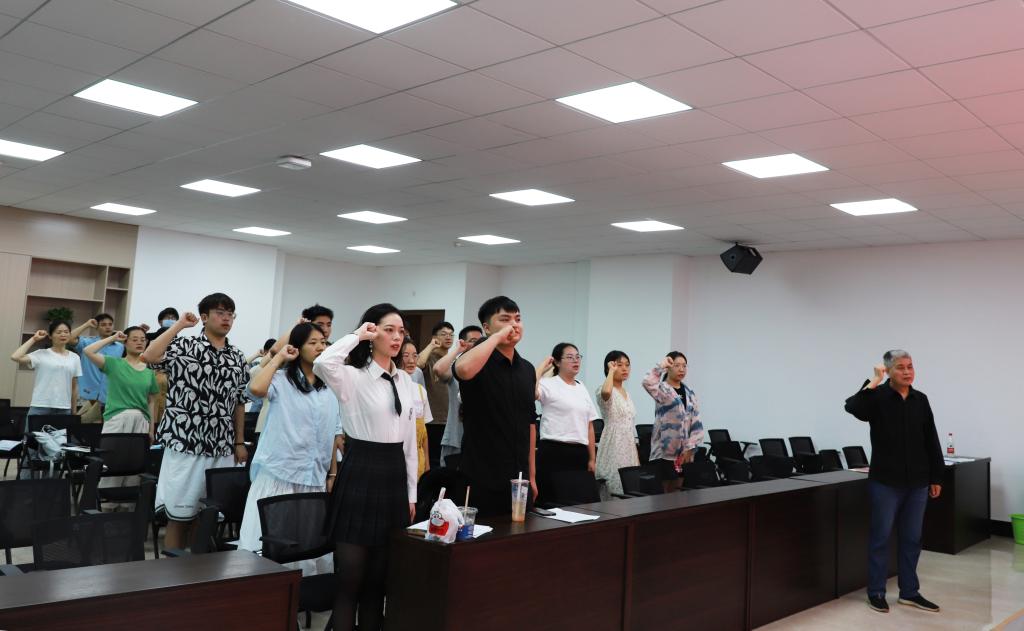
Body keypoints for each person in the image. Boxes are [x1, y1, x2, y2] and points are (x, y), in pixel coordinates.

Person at [312, 303, 417, 631]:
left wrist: (411, 493)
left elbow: (409, 446)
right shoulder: (352, 377)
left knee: (378, 583)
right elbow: (322, 362)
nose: (397, 337)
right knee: (351, 581)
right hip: (360, 471)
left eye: (401, 331)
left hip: (394, 478)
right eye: (389, 330)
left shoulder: (406, 382)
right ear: (373, 333)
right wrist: (357, 336)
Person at [141, 293, 250, 551]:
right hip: (185, 443)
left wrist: (239, 442)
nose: (226, 318)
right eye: (220, 313)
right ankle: (172, 571)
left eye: (230, 314)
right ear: (204, 317)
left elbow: (239, 402)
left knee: (207, 516)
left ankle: (196, 569)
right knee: (179, 515)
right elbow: (149, 356)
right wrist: (179, 325)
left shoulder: (237, 356)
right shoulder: (184, 346)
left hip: (221, 446)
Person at [844, 350, 944, 615]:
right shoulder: (876, 397)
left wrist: (936, 476)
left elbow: (931, 438)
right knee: (880, 538)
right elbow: (852, 407)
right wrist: (874, 381)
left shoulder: (920, 399)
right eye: (900, 367)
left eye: (910, 366)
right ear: (888, 371)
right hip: (886, 482)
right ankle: (876, 592)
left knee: (912, 538)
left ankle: (909, 592)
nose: (907, 372)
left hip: (918, 482)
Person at [238, 323, 341, 576]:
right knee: (270, 542)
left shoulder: (330, 387)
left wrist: (332, 473)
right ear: (297, 348)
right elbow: (255, 389)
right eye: (312, 343)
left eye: (323, 342)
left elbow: (332, 434)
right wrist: (279, 358)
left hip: (313, 477)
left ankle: (302, 591)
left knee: (306, 544)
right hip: (279, 474)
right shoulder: (282, 380)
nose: (320, 347)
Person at [453, 297, 536, 517]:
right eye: (505, 319)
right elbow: (462, 370)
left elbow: (530, 424)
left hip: (519, 479)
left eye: (518, 319)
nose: (514, 325)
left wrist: (532, 477)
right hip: (482, 475)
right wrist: (497, 337)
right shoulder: (475, 362)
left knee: (522, 534)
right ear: (487, 327)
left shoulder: (527, 369)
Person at [83, 326, 159, 496]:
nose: (140, 342)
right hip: (117, 418)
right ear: (125, 342)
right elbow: (88, 351)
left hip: (141, 421)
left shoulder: (149, 372)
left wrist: (151, 429)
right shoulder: (114, 363)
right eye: (134, 339)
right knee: (113, 463)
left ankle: (127, 505)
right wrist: (112, 338)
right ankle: (106, 504)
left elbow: (151, 401)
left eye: (143, 339)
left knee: (135, 466)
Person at [534, 342, 599, 503]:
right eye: (569, 357)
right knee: (554, 503)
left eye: (578, 357)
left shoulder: (581, 386)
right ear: (557, 362)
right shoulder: (548, 383)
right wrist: (541, 368)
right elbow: (530, 392)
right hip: (554, 452)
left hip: (579, 454)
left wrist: (592, 458)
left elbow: (589, 425)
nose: (575, 360)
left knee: (582, 504)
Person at [642, 351, 704, 493]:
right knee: (663, 495)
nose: (681, 369)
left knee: (678, 493)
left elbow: (696, 422)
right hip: (664, 452)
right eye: (677, 365)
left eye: (684, 366)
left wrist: (689, 448)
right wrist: (661, 366)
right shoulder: (662, 389)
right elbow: (647, 382)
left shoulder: (689, 392)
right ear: (669, 367)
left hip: (684, 452)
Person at [10, 320, 82, 428]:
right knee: (33, 438)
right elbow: (15, 357)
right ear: (50, 336)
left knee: (60, 439)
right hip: (41, 406)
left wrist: (74, 410)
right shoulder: (41, 354)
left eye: (66, 332)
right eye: (58, 332)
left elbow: (74, 386)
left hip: (64, 408)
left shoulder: (75, 357)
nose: (63, 334)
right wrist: (34, 339)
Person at [434, 325, 483, 467]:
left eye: (481, 341)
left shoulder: (488, 367)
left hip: (480, 439)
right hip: (455, 437)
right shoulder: (457, 366)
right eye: (473, 341)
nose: (478, 344)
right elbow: (438, 369)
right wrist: (457, 350)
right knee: (450, 479)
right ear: (463, 342)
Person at [595, 350, 639, 497]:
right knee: (614, 488)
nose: (624, 368)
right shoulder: (603, 389)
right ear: (610, 367)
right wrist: (611, 372)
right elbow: (606, 393)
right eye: (619, 365)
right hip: (613, 445)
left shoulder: (627, 393)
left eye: (627, 365)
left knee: (631, 489)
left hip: (629, 447)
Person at [70, 313, 122, 421]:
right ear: (96, 327)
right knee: (80, 423)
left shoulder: (120, 347)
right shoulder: (87, 343)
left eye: (110, 324)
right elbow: (69, 339)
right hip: (86, 393)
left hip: (108, 393)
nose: (108, 327)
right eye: (103, 325)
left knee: (101, 425)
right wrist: (87, 324)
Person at [400, 337, 432, 478]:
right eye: (406, 356)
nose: (411, 361)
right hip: (397, 456)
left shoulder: (420, 390)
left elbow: (424, 433)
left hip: (418, 458)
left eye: (415, 355)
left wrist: (427, 464)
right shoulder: (388, 388)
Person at [416, 321, 454, 424]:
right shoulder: (429, 358)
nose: (448, 337)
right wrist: (431, 345)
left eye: (451, 335)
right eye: (444, 334)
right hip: (432, 418)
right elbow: (418, 364)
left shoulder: (453, 360)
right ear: (434, 337)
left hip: (450, 418)